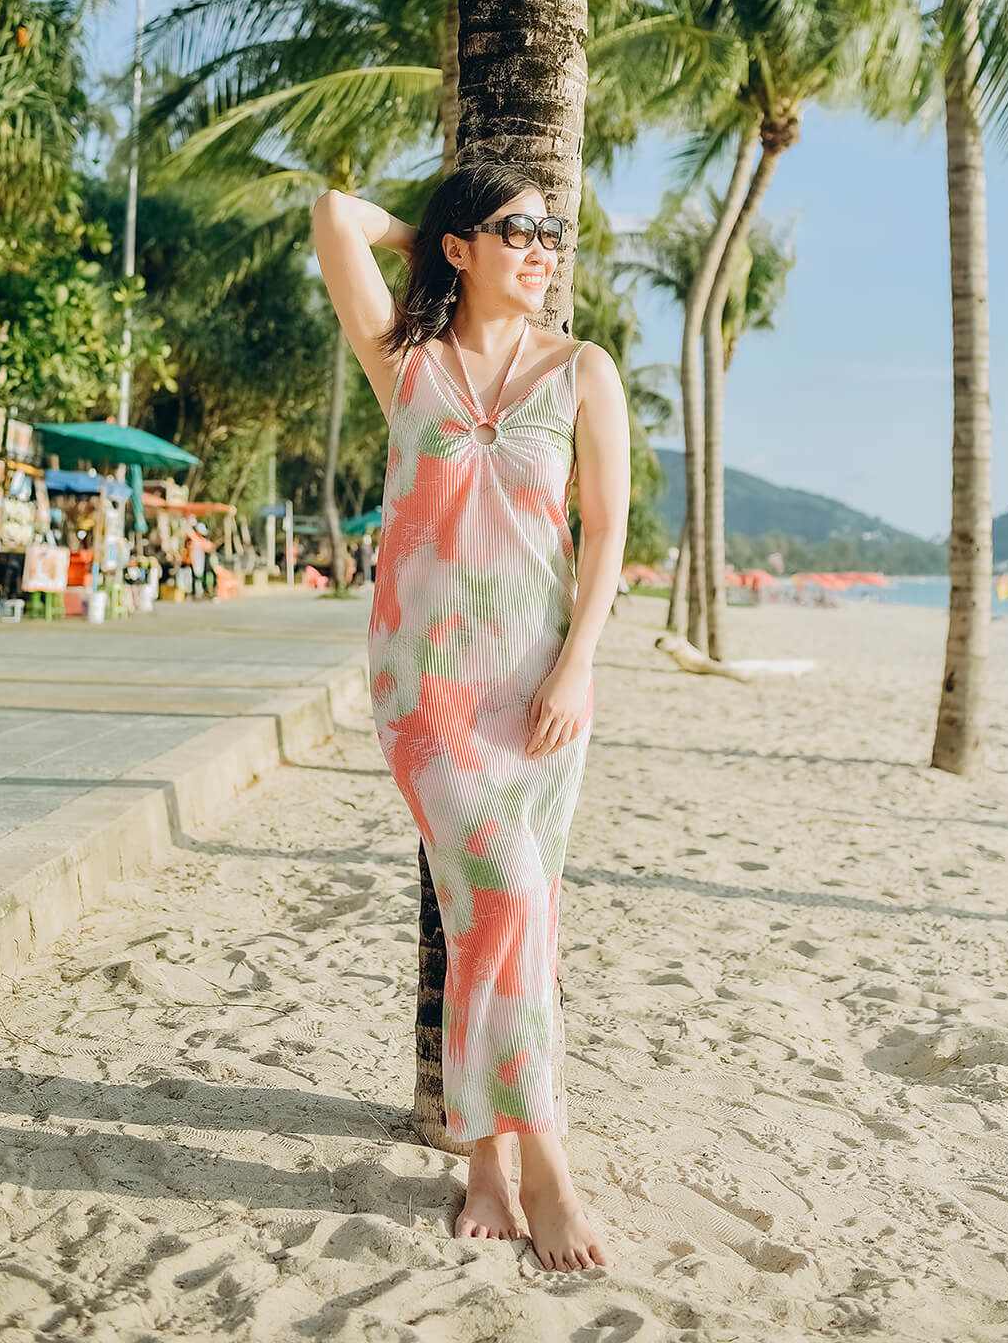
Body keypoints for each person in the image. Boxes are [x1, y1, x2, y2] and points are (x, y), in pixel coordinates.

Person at [313, 158, 630, 1273]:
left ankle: (485, 1158)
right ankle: (543, 1161)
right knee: (501, 888)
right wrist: (429, 229)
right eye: (517, 228)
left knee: (503, 915)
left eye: (553, 230)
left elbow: (603, 539)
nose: (543, 247)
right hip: (426, 690)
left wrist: (576, 665)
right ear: (459, 244)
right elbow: (333, 214)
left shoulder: (582, 369)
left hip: (540, 689)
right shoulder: (407, 361)